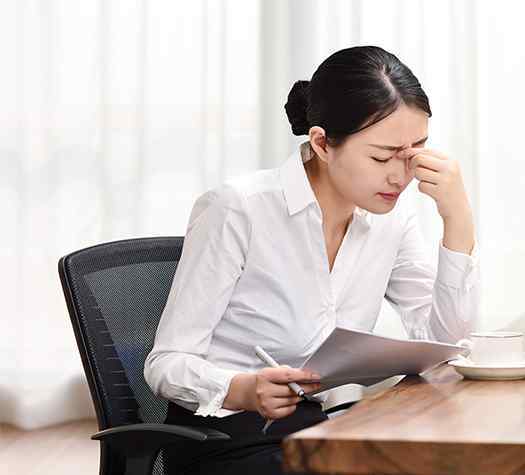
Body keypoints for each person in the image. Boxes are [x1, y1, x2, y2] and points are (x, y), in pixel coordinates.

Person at [144, 45, 480, 475]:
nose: (401, 176)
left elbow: (447, 343)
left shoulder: (390, 220)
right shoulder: (239, 208)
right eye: (382, 157)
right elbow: (166, 363)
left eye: (415, 153)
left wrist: (458, 219)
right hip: (226, 441)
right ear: (322, 143)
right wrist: (242, 388)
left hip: (320, 430)